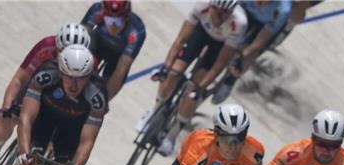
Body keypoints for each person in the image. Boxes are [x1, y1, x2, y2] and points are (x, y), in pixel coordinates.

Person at [0, 23, 91, 165]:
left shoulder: (88, 64)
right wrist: (7, 108)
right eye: (62, 53)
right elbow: (19, 79)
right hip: (34, 90)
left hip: (60, 102)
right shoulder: (45, 48)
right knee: (5, 118)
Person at [137, 0, 248, 156]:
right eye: (218, 12)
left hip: (218, 47)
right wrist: (166, 67)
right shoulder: (202, 6)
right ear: (211, 6)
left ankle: (172, 135)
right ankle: (153, 111)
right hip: (200, 33)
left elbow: (219, 64)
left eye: (226, 13)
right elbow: (180, 41)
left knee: (192, 92)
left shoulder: (239, 23)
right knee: (173, 72)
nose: (221, 17)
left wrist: (200, 88)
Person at [210, 1, 322, 104]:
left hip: (281, 13)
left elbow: (297, 17)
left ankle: (230, 80)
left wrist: (299, 6)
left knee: (257, 48)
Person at [80, 0, 148, 100]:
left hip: (118, 56)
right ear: (103, 14)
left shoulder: (137, 30)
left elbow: (122, 67)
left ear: (127, 17)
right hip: (98, 43)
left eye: (117, 22)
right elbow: (78, 40)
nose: (113, 26)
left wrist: (104, 100)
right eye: (109, 20)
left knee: (108, 89)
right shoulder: (96, 10)